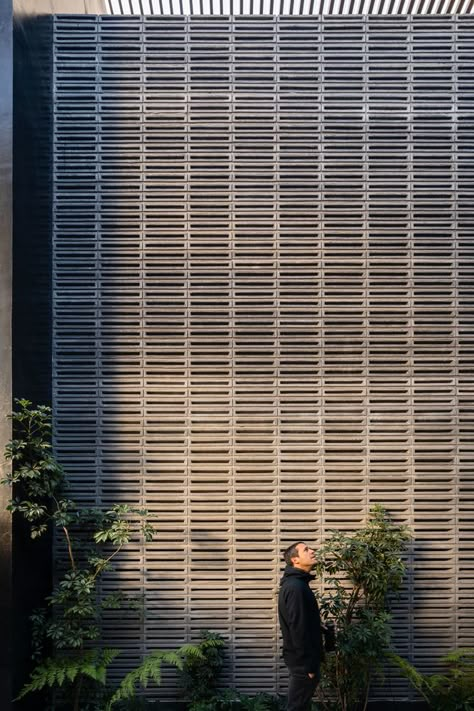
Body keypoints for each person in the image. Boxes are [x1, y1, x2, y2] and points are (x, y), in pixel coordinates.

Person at [278, 541, 324, 711]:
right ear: (295, 560)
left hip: (302, 662)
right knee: (296, 708)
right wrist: (309, 666)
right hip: (303, 664)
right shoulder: (296, 587)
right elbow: (298, 628)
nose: (312, 551)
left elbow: (303, 622)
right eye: (306, 550)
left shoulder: (298, 584)